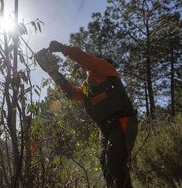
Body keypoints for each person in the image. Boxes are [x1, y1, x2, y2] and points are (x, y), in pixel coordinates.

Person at [35, 41, 138, 188]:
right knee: (105, 164)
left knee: (114, 161)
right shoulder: (87, 85)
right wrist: (54, 73)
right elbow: (72, 94)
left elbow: (84, 58)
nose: (88, 66)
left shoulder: (105, 67)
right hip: (105, 128)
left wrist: (62, 48)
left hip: (122, 121)